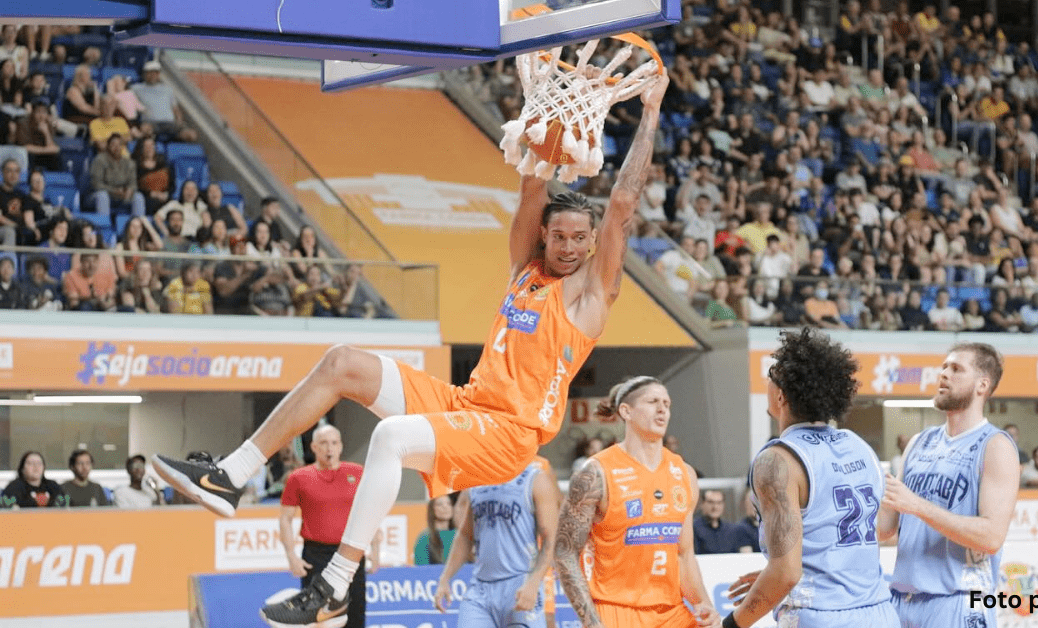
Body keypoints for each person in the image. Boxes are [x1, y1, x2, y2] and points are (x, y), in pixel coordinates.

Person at [155, 75, 670, 628]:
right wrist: (541, 115)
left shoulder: (592, 296)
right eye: (560, 236)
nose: (569, 247)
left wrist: (649, 113)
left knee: (390, 437)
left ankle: (332, 585)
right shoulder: (526, 269)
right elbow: (529, 190)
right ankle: (231, 475)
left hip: (511, 433)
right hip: (466, 404)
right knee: (341, 361)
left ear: (592, 243)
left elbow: (621, 203)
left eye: (579, 239)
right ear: (545, 237)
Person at [724, 329, 899, 628]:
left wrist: (731, 624)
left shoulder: (777, 461)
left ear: (781, 395)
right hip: (880, 613)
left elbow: (786, 573)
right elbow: (882, 528)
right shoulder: (858, 446)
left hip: (820, 616)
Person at [554, 376, 718, 628]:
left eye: (667, 403)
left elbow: (684, 555)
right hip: (616, 611)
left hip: (672, 613)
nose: (663, 408)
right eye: (653, 401)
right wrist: (591, 622)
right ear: (626, 411)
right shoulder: (595, 472)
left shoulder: (684, 473)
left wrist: (703, 604)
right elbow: (565, 552)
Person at [878, 342, 1021, 628]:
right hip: (902, 600)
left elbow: (991, 537)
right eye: (944, 367)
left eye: (956, 369)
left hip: (958, 600)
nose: (943, 374)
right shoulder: (919, 442)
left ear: (982, 385)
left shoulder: (995, 445)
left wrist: (917, 505)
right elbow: (884, 528)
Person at [433, 457, 560, 628]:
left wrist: (534, 582)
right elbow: (464, 535)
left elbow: (551, 537)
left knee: (549, 619)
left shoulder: (535, 478)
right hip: (481, 588)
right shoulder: (476, 480)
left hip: (520, 582)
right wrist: (445, 578)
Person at [278, 425, 380, 628]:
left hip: (350, 553)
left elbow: (370, 513)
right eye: (324, 443)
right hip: (315, 555)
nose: (329, 448)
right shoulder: (298, 478)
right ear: (314, 447)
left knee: (354, 615)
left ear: (340, 446)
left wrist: (376, 550)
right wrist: (291, 556)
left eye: (334, 443)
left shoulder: (357, 473)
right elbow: (285, 519)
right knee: (318, 618)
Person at [1, 451, 66, 508]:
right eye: (30, 463)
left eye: (39, 463)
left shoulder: (52, 485)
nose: (36, 466)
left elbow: (65, 502)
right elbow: (9, 505)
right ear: (22, 469)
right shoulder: (14, 487)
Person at [693, 489, 740, 554]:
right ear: (702, 504)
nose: (715, 507)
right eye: (711, 502)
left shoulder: (731, 530)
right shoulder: (693, 528)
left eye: (719, 503)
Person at [414, 495, 457, 565]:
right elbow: (421, 570)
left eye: (449, 503)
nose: (445, 507)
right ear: (432, 509)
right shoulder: (424, 538)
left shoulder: (461, 536)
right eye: (439, 504)